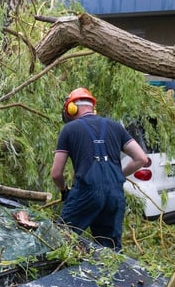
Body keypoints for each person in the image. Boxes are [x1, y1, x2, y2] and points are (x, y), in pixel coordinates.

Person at [51, 87, 150, 250]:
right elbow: (141, 158)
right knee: (109, 250)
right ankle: (110, 275)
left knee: (62, 238)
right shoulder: (116, 127)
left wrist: (64, 190)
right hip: (114, 194)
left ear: (71, 108)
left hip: (86, 192)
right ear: (92, 107)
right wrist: (119, 174)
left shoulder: (68, 129)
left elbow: (56, 174)